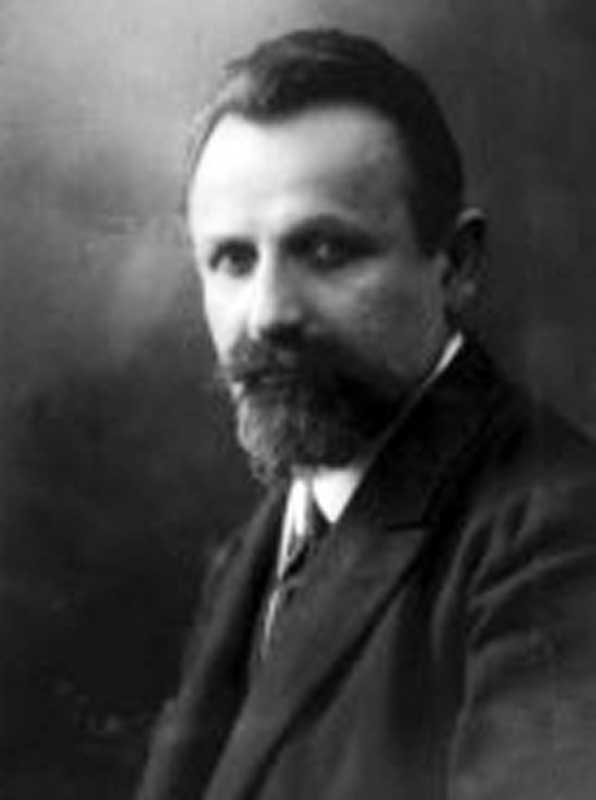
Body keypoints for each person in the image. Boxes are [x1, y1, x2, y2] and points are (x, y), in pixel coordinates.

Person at [138, 28, 596, 800]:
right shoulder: (260, 547)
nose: (268, 314)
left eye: (325, 250)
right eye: (234, 260)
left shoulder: (557, 536)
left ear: (457, 266)